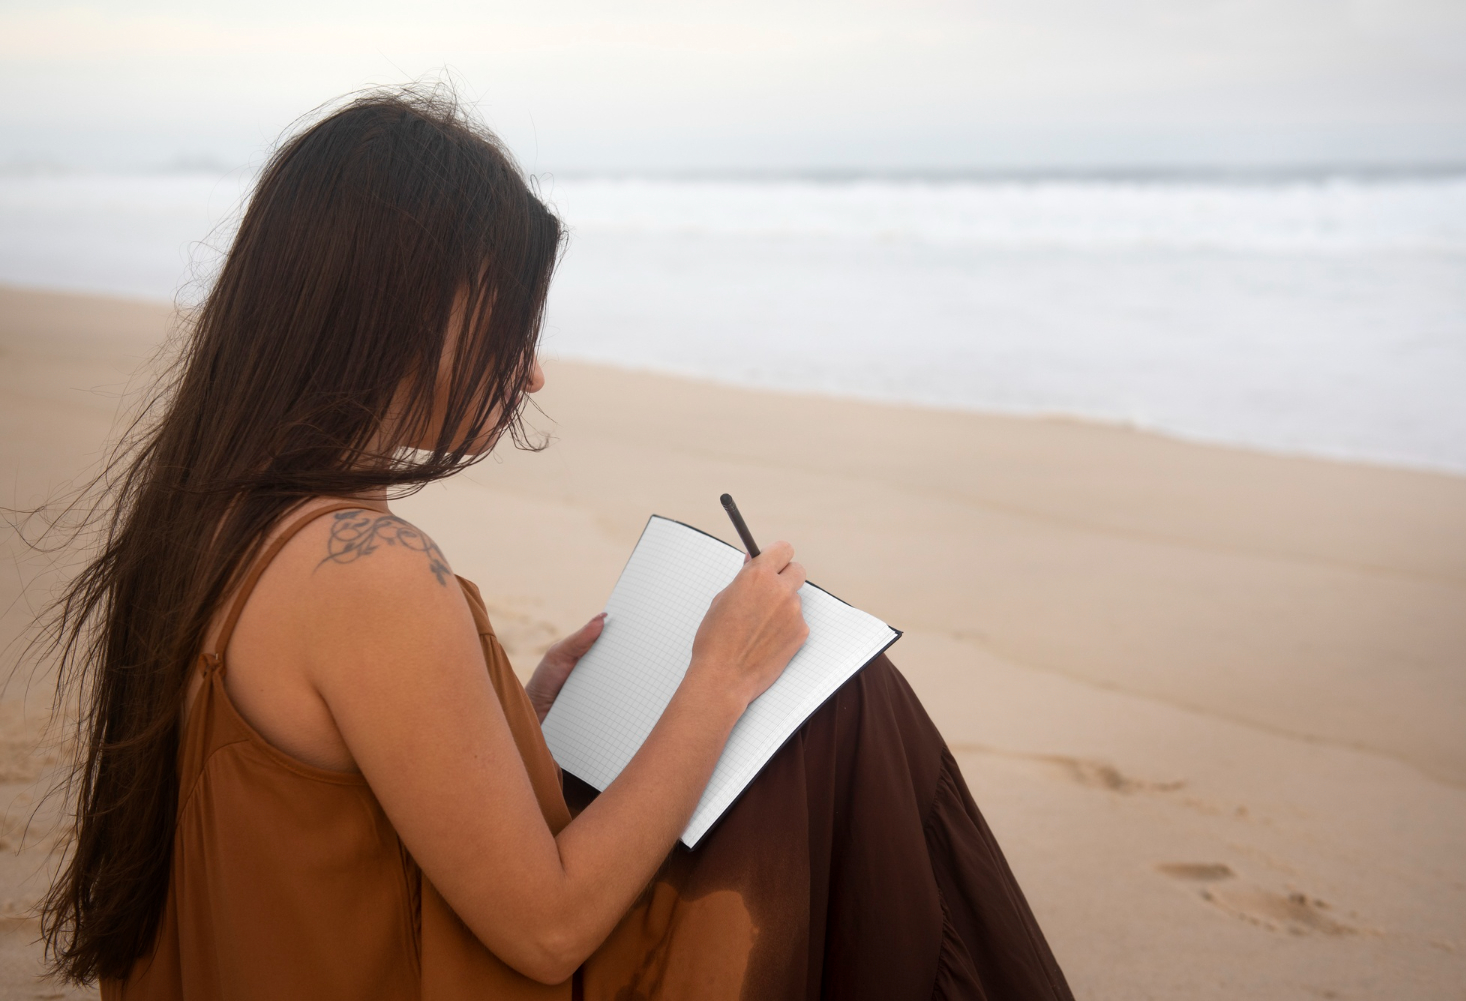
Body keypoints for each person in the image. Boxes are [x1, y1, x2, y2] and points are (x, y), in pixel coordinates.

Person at [39, 88, 1074, 1000]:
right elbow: (547, 932)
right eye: (510, 323)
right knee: (843, 705)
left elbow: (316, 813)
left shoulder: (213, 516)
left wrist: (513, 717)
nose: (530, 371)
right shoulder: (369, 570)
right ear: (405, 310)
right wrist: (718, 678)